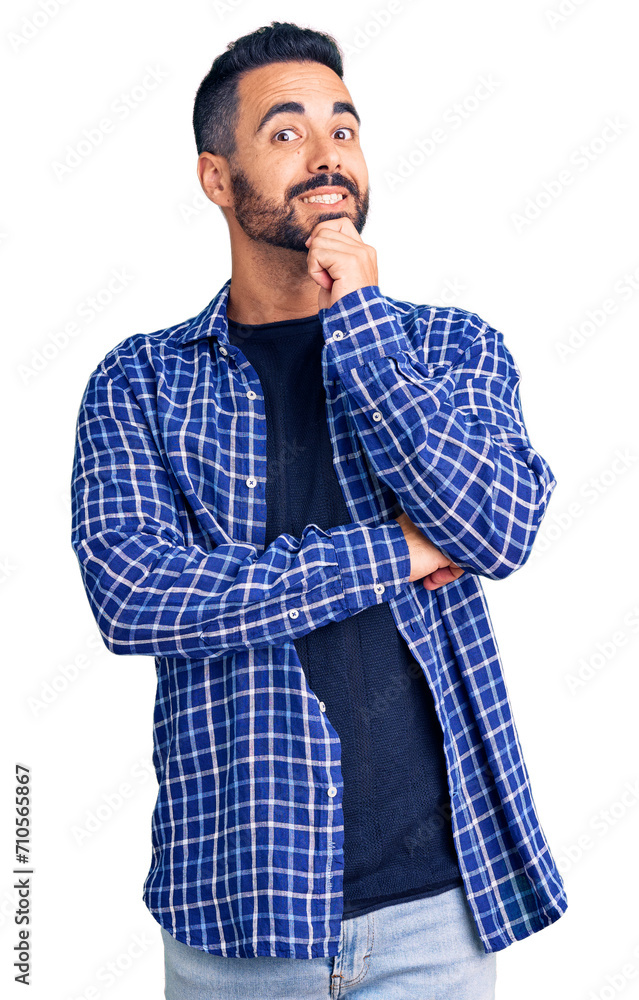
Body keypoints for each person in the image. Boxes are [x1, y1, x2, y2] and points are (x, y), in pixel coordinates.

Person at [70, 20, 567, 1000]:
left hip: (437, 915)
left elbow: (497, 526)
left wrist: (363, 326)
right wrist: (400, 551)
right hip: (237, 922)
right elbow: (139, 596)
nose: (328, 152)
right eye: (287, 132)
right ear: (217, 177)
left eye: (345, 126)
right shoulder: (140, 383)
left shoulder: (451, 348)